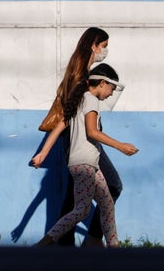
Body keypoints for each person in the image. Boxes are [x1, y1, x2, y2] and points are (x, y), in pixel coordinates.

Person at [32, 63, 139, 247]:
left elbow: (57, 129)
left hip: (85, 164)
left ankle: (115, 248)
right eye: (111, 89)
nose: (111, 94)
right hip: (85, 164)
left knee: (106, 205)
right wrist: (121, 146)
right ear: (103, 83)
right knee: (82, 210)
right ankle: (44, 243)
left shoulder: (78, 99)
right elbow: (92, 132)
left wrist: (42, 154)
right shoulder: (91, 100)